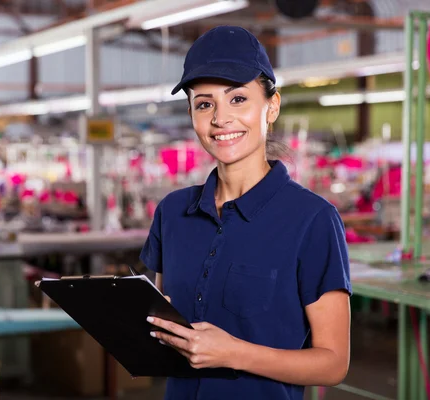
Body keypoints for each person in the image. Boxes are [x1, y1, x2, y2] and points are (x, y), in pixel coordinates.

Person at [140, 26, 352, 400]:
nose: (221, 119)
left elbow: (333, 363)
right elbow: (162, 323)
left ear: (271, 106)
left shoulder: (313, 220)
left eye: (238, 99)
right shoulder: (172, 213)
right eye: (204, 104)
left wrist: (234, 353)